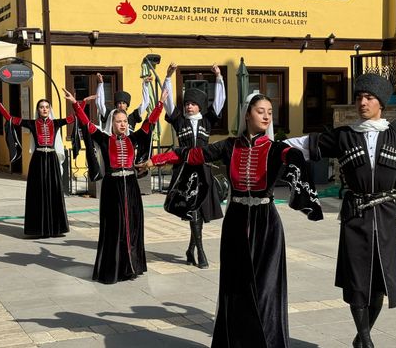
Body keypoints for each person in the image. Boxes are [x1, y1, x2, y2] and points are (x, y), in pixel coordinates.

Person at [285, 38, 396, 348]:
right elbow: (303, 145)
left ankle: (362, 337)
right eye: (359, 97)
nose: (362, 102)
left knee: (379, 282)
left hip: (385, 215)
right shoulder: (343, 136)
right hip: (355, 215)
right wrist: (269, 147)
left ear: (380, 103)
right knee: (357, 281)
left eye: (369, 97)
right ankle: (367, 340)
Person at [140, 93, 322, 348]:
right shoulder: (229, 146)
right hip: (236, 221)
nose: (267, 116)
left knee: (265, 289)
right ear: (247, 114)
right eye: (261, 111)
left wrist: (296, 171)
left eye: (270, 111)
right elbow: (193, 155)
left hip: (266, 223)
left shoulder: (275, 148)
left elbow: (292, 156)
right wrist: (155, 159)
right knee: (235, 286)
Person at [64, 87, 165, 284]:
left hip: (131, 187)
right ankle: (114, 268)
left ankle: (131, 266)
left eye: (125, 121)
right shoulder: (104, 139)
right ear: (112, 123)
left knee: (133, 226)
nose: (122, 124)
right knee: (114, 227)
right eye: (119, 121)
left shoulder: (132, 138)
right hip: (112, 187)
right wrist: (75, 104)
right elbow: (86, 122)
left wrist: (159, 104)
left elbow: (148, 123)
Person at [161, 63, 226, 269]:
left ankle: (191, 249)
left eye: (193, 103)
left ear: (200, 106)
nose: (189, 106)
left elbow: (220, 101)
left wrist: (219, 78)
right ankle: (200, 252)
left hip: (203, 171)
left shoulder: (207, 121)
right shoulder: (179, 121)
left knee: (197, 211)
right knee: (193, 211)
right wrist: (168, 77)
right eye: (187, 103)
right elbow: (168, 102)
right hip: (185, 172)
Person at [0, 94, 74, 238]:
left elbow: (73, 118)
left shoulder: (56, 123)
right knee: (37, 193)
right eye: (41, 107)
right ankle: (37, 229)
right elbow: (10, 119)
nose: (44, 109)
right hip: (38, 159)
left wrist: (76, 102)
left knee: (53, 191)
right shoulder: (32, 124)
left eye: (46, 107)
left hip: (51, 160)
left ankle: (55, 228)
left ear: (49, 109)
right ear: (38, 110)